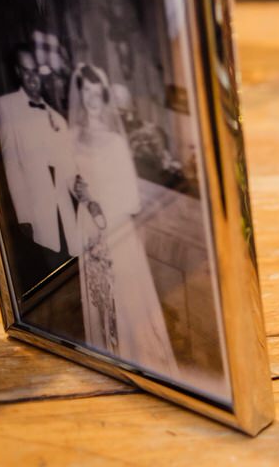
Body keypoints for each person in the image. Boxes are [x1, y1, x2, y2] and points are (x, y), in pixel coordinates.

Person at [70, 63, 178, 377]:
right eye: (85, 92)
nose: (90, 98)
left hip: (114, 225)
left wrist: (100, 204)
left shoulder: (116, 142)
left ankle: (135, 355)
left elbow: (130, 198)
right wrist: (81, 193)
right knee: (98, 295)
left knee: (125, 294)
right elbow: (69, 177)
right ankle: (104, 352)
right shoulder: (73, 137)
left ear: (104, 96)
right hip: (87, 226)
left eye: (96, 92)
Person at [0, 43, 79, 291]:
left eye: (37, 71)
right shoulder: (7, 106)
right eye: (26, 71)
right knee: (51, 275)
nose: (33, 78)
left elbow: (69, 166)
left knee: (73, 268)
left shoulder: (55, 116)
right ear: (19, 72)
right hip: (37, 209)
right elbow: (11, 164)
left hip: (65, 207)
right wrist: (23, 216)